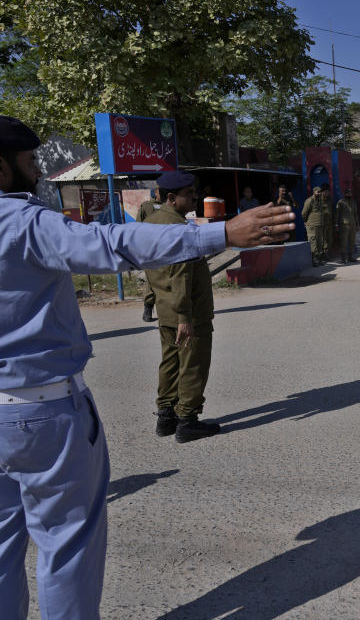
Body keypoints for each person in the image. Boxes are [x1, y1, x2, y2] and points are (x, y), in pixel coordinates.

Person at [0, 115, 295, 620]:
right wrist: (223, 232)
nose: (36, 173)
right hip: (43, 413)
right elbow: (111, 246)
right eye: (28, 163)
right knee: (66, 545)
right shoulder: (23, 222)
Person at [144, 172, 222, 443]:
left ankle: (166, 417)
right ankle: (187, 420)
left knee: (170, 361)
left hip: (166, 309)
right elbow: (181, 276)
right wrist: (185, 317)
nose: (194, 197)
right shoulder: (181, 229)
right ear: (171, 198)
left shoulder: (151, 223)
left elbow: (152, 270)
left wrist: (156, 303)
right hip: (187, 312)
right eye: (189, 194)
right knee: (193, 363)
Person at [135, 188, 164, 322]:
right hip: (151, 248)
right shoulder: (146, 206)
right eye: (160, 191)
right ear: (155, 192)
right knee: (152, 277)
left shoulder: (168, 207)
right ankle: (148, 307)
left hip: (166, 247)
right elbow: (138, 227)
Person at [302, 184, 332, 265]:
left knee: (319, 242)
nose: (319, 193)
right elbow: (304, 213)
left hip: (319, 225)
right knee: (313, 242)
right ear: (314, 192)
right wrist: (306, 222)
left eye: (320, 192)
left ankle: (319, 259)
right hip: (312, 225)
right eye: (318, 192)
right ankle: (314, 259)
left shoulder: (319, 201)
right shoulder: (309, 201)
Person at [336, 187, 359, 264]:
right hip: (344, 225)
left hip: (352, 225)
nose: (349, 194)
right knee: (344, 242)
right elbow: (337, 214)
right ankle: (343, 258)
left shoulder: (353, 202)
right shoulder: (341, 202)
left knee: (352, 242)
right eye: (347, 193)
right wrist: (336, 224)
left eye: (350, 193)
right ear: (345, 194)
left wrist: (357, 225)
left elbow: (356, 214)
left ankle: (350, 257)